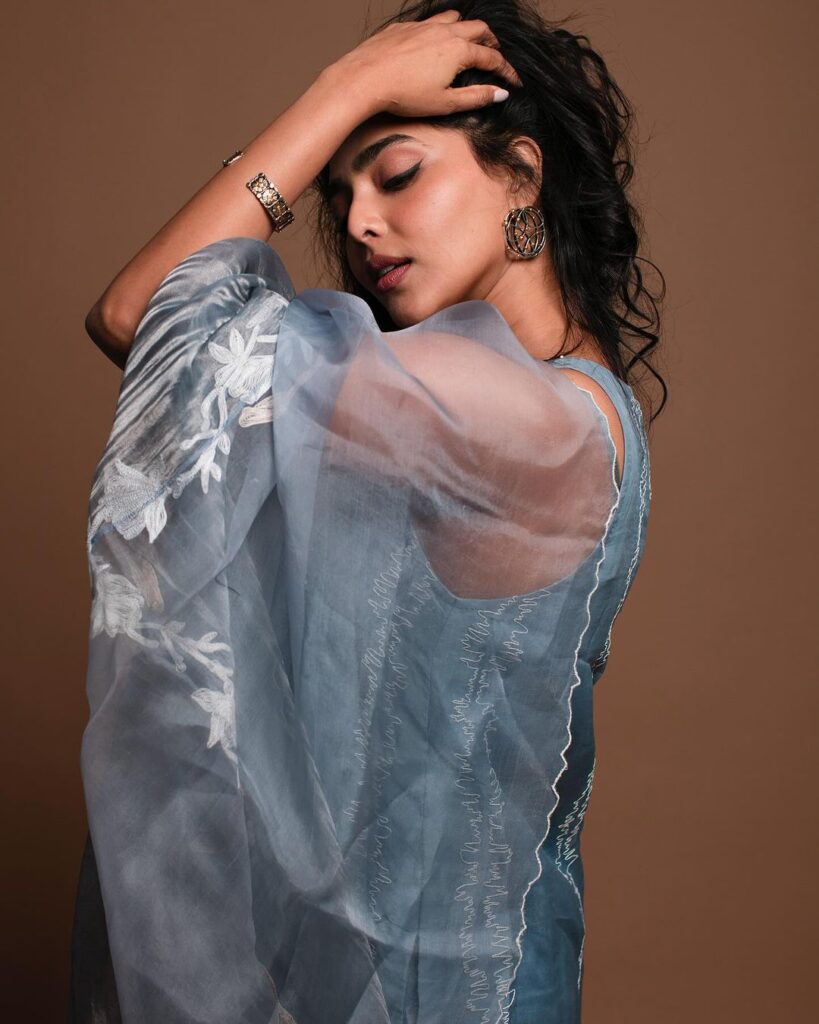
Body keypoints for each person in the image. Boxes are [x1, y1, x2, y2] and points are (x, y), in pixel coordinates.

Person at [70, 2, 664, 1022]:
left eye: (397, 175)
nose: (356, 225)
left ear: (522, 174)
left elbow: (141, 315)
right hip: (432, 974)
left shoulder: (525, 419)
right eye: (340, 196)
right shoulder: (548, 399)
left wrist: (344, 88)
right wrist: (357, 95)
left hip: (455, 995)